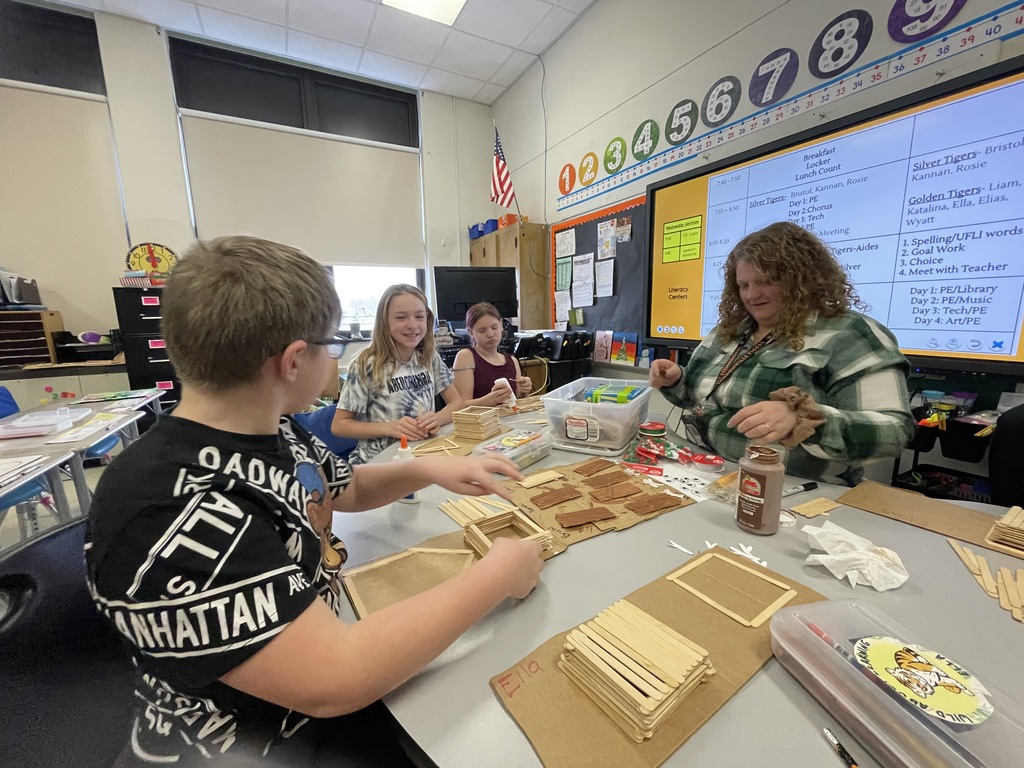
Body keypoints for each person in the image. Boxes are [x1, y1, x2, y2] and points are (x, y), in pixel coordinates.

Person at [85, 237, 544, 767]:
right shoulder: (167, 507)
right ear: (294, 361)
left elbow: (339, 490)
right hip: (250, 742)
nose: (334, 358)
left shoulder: (276, 429)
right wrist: (499, 574)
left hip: (314, 679)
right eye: (330, 344)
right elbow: (336, 678)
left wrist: (430, 467)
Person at [649, 221, 914, 485]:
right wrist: (676, 380)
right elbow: (697, 399)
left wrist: (803, 420)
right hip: (710, 473)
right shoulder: (729, 331)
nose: (752, 295)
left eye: (766, 281)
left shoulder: (851, 334)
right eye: (744, 285)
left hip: (796, 489)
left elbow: (894, 431)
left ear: (802, 279)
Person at [331, 284, 465, 464]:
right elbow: (340, 426)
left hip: (420, 455)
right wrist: (390, 428)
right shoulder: (366, 364)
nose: (412, 325)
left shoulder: (428, 356)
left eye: (419, 316)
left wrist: (436, 419)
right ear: (384, 322)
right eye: (401, 318)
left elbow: (457, 403)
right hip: (376, 464)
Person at [452, 302, 533, 408]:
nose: (490, 334)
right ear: (471, 332)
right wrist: (489, 400)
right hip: (479, 422)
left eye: (494, 327)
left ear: (501, 325)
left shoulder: (512, 361)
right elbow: (460, 405)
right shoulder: (466, 357)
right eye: (482, 331)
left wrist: (524, 390)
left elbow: (516, 401)